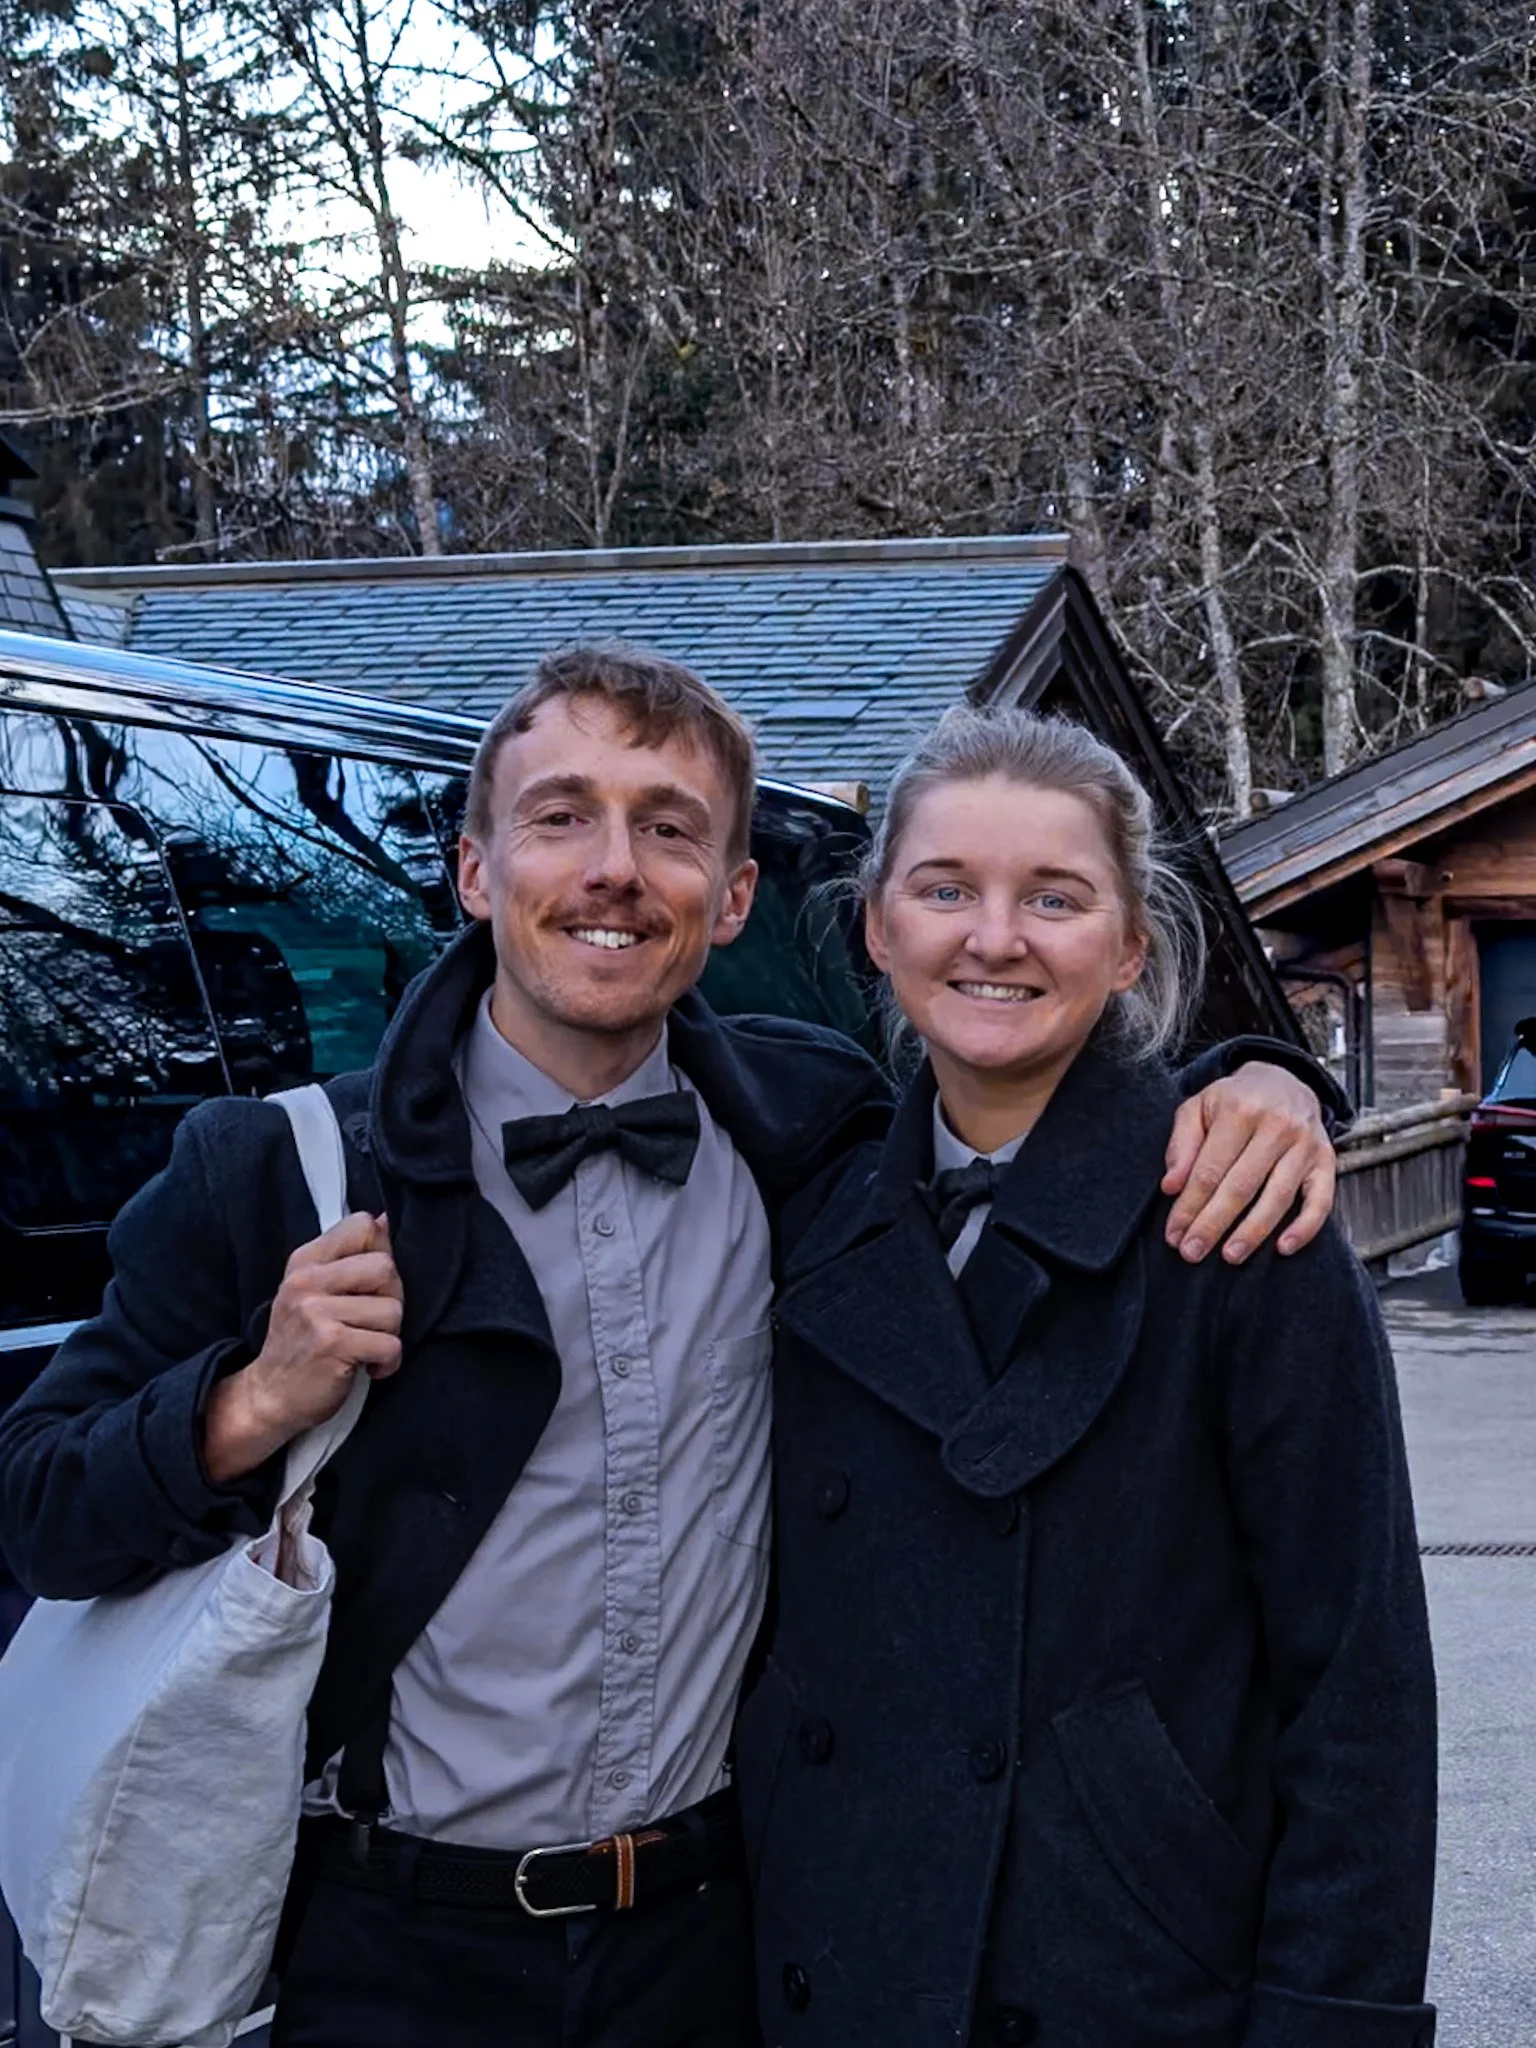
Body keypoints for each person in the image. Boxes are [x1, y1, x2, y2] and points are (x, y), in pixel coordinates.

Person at [0, 650, 1340, 2048]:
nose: (614, 869)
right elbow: (37, 1512)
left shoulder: (805, 1133)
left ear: (735, 895)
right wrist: (250, 1402)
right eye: (562, 815)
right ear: (474, 870)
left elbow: (1012, 1091)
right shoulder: (277, 1171)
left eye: (669, 828)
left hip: (715, 1947)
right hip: (387, 1951)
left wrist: (1258, 1082)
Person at [738, 705, 1437, 2048]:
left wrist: (1331, 2021)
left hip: (1131, 1977)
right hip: (833, 1958)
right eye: (946, 890)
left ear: (1127, 948)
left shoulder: (1240, 1235)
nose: (993, 938)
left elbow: (1358, 1692)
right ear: (878, 928)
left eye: (1052, 898)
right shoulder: (811, 1216)